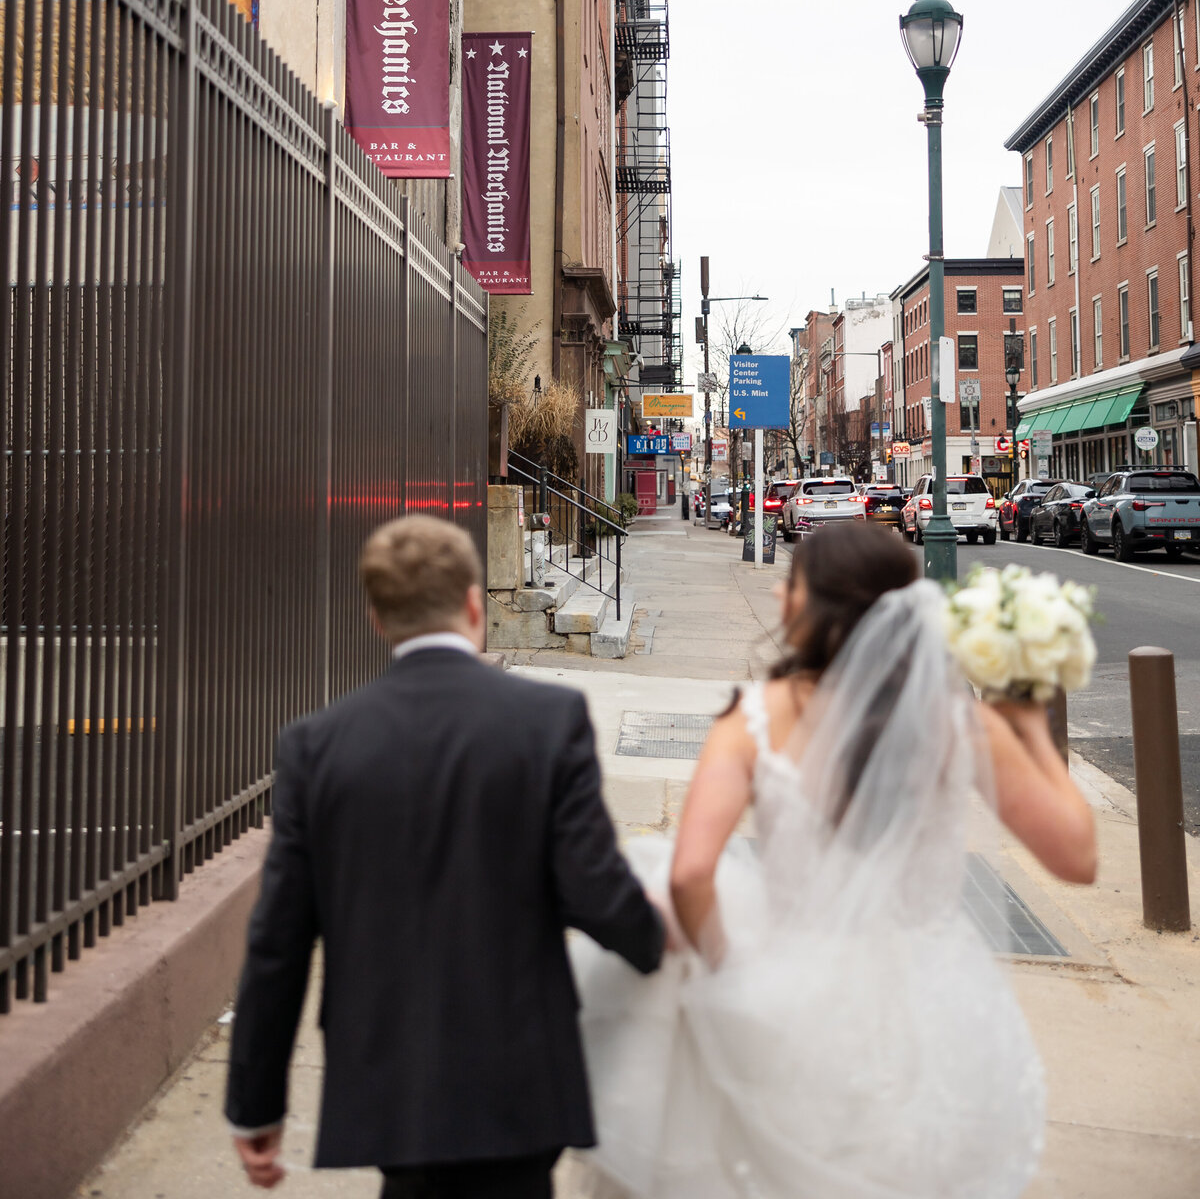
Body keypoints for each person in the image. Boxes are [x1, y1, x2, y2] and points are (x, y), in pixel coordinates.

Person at [569, 523, 1097, 1199]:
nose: (776, 589)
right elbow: (1078, 857)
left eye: (790, 581)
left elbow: (690, 874)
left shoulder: (755, 718)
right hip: (924, 1003)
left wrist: (727, 972)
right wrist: (1025, 726)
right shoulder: (957, 722)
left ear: (823, 608)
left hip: (787, 984)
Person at [225, 513, 666, 1197]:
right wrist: (661, 944)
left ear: (377, 618)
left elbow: (277, 943)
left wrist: (256, 1103)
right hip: (519, 1070)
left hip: (389, 1076)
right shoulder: (547, 722)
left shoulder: (316, 745)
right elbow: (597, 895)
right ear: (471, 603)